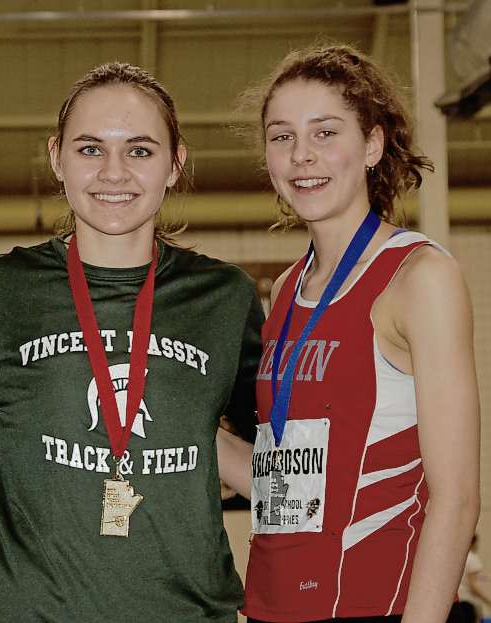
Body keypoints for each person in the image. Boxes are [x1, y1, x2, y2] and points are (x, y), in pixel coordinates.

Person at [0, 62, 263, 621]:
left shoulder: (224, 298)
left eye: (139, 150)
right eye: (90, 149)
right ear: (55, 158)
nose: (113, 172)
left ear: (175, 163)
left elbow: (270, 456)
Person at [238, 44, 480, 623]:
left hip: (374, 605)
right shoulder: (288, 290)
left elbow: (458, 497)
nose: (301, 155)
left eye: (324, 133)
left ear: (372, 145)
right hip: (272, 606)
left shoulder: (420, 277)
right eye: (281, 136)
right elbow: (288, 470)